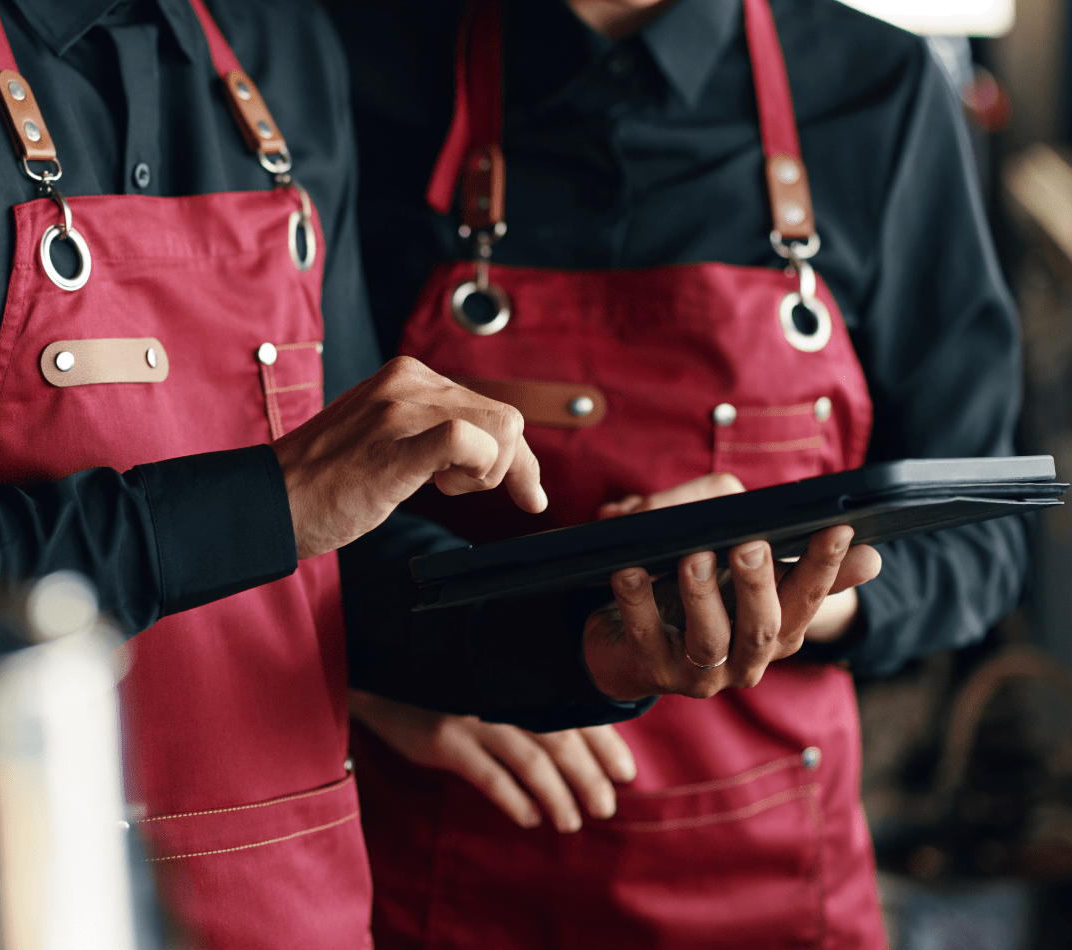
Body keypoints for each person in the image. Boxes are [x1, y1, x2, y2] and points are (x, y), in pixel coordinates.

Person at [0, 0, 874, 946]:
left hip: (296, 908)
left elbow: (342, 560)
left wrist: (599, 641)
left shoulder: (275, 40)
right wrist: (263, 503)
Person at [323, 0, 1028, 946]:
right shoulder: (349, 66)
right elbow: (289, 489)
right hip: (446, 869)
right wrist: (382, 679)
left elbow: (985, 524)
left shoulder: (879, 90)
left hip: (775, 884)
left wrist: (817, 596)